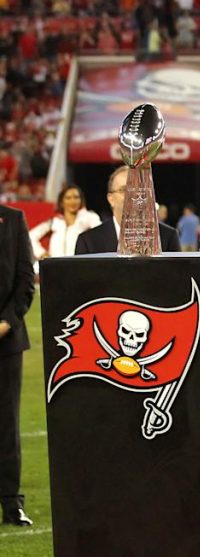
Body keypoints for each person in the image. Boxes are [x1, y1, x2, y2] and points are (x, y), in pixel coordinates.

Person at [1, 204, 34, 526]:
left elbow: (26, 279)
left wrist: (5, 322)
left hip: (5, 341)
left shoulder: (13, 220)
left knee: (7, 425)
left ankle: (11, 504)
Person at [75, 166, 181, 254]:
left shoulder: (167, 237)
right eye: (124, 190)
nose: (132, 194)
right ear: (111, 199)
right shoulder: (88, 242)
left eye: (138, 189)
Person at [29, 184, 101, 261]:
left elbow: (101, 234)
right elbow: (30, 236)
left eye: (76, 197)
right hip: (54, 266)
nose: (72, 201)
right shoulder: (54, 222)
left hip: (78, 266)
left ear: (81, 200)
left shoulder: (89, 218)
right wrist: (41, 253)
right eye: (68, 198)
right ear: (62, 201)